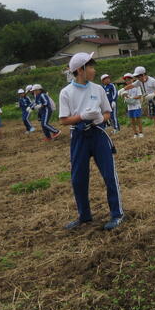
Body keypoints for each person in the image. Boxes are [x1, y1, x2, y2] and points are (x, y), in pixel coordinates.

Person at [59, 51, 124, 231]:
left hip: (98, 133)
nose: (94, 70)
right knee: (78, 178)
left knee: (109, 174)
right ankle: (84, 216)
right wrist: (82, 116)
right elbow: (63, 120)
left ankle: (117, 213)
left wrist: (99, 119)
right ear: (80, 70)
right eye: (91, 66)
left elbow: (107, 112)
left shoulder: (98, 89)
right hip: (79, 136)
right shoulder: (66, 92)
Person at [132, 66, 155, 140]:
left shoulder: (152, 80)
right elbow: (131, 85)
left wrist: (153, 94)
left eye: (139, 76)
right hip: (151, 102)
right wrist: (123, 89)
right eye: (137, 77)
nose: (138, 78)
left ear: (143, 74)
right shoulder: (140, 81)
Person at [117, 72, 144, 138]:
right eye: (126, 80)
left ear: (132, 79)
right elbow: (124, 96)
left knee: (138, 119)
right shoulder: (125, 88)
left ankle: (141, 132)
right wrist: (125, 96)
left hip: (137, 105)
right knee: (132, 120)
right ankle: (135, 133)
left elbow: (139, 96)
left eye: (129, 79)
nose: (127, 81)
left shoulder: (137, 87)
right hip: (130, 106)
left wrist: (132, 98)